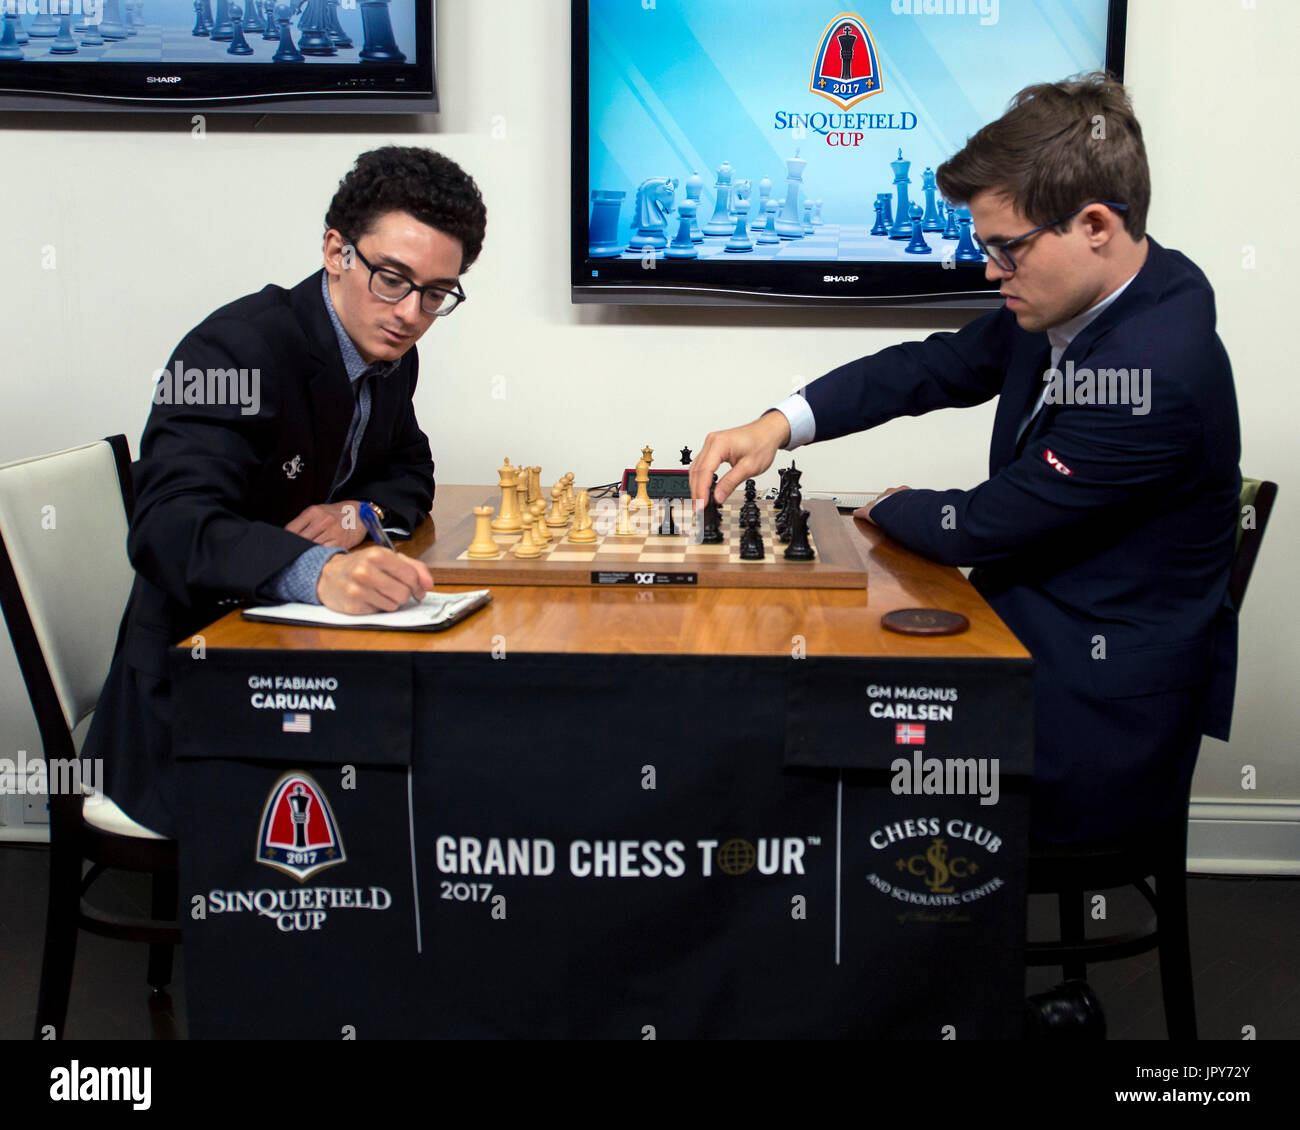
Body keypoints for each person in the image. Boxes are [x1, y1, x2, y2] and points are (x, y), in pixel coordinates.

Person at [690, 74, 1241, 843]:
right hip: (1027, 635)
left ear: (1093, 224)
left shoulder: (1156, 372)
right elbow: (933, 367)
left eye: (1006, 249)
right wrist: (780, 423)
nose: (990, 272)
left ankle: (889, 948)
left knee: (820, 759)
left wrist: (883, 506)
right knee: (808, 722)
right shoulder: (1094, 295)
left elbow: (987, 523)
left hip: (1095, 715)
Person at [84, 146, 488, 837]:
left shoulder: (388, 349)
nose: (411, 313)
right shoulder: (232, 351)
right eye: (392, 278)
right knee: (408, 792)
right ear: (337, 250)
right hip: (191, 691)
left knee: (453, 755)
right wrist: (318, 571)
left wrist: (360, 512)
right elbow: (168, 527)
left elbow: (410, 468)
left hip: (300, 664)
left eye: (435, 294)